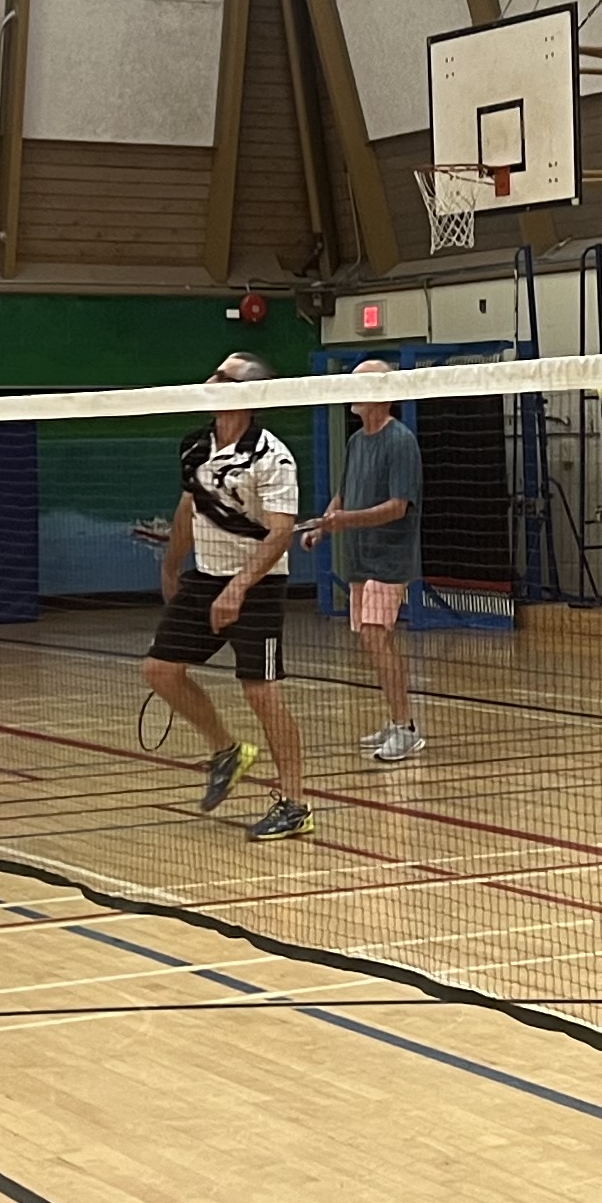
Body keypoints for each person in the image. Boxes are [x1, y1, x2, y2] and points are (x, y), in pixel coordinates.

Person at [143, 354, 312, 841]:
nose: (209, 381)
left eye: (221, 377)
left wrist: (238, 589)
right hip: (206, 576)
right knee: (159, 670)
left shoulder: (272, 458)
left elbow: (281, 534)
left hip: (258, 584)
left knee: (260, 692)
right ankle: (226, 750)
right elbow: (188, 509)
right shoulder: (194, 446)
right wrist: (172, 564)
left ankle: (296, 803)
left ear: (246, 393)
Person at [306, 359, 425, 763]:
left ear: (380, 393)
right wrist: (323, 526)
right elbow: (344, 494)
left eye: (359, 383)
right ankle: (395, 722)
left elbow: (397, 506)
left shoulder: (401, 441)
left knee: (376, 635)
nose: (351, 391)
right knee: (373, 641)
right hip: (359, 555)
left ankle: (406, 728)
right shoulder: (357, 441)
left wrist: (346, 521)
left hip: (388, 557)